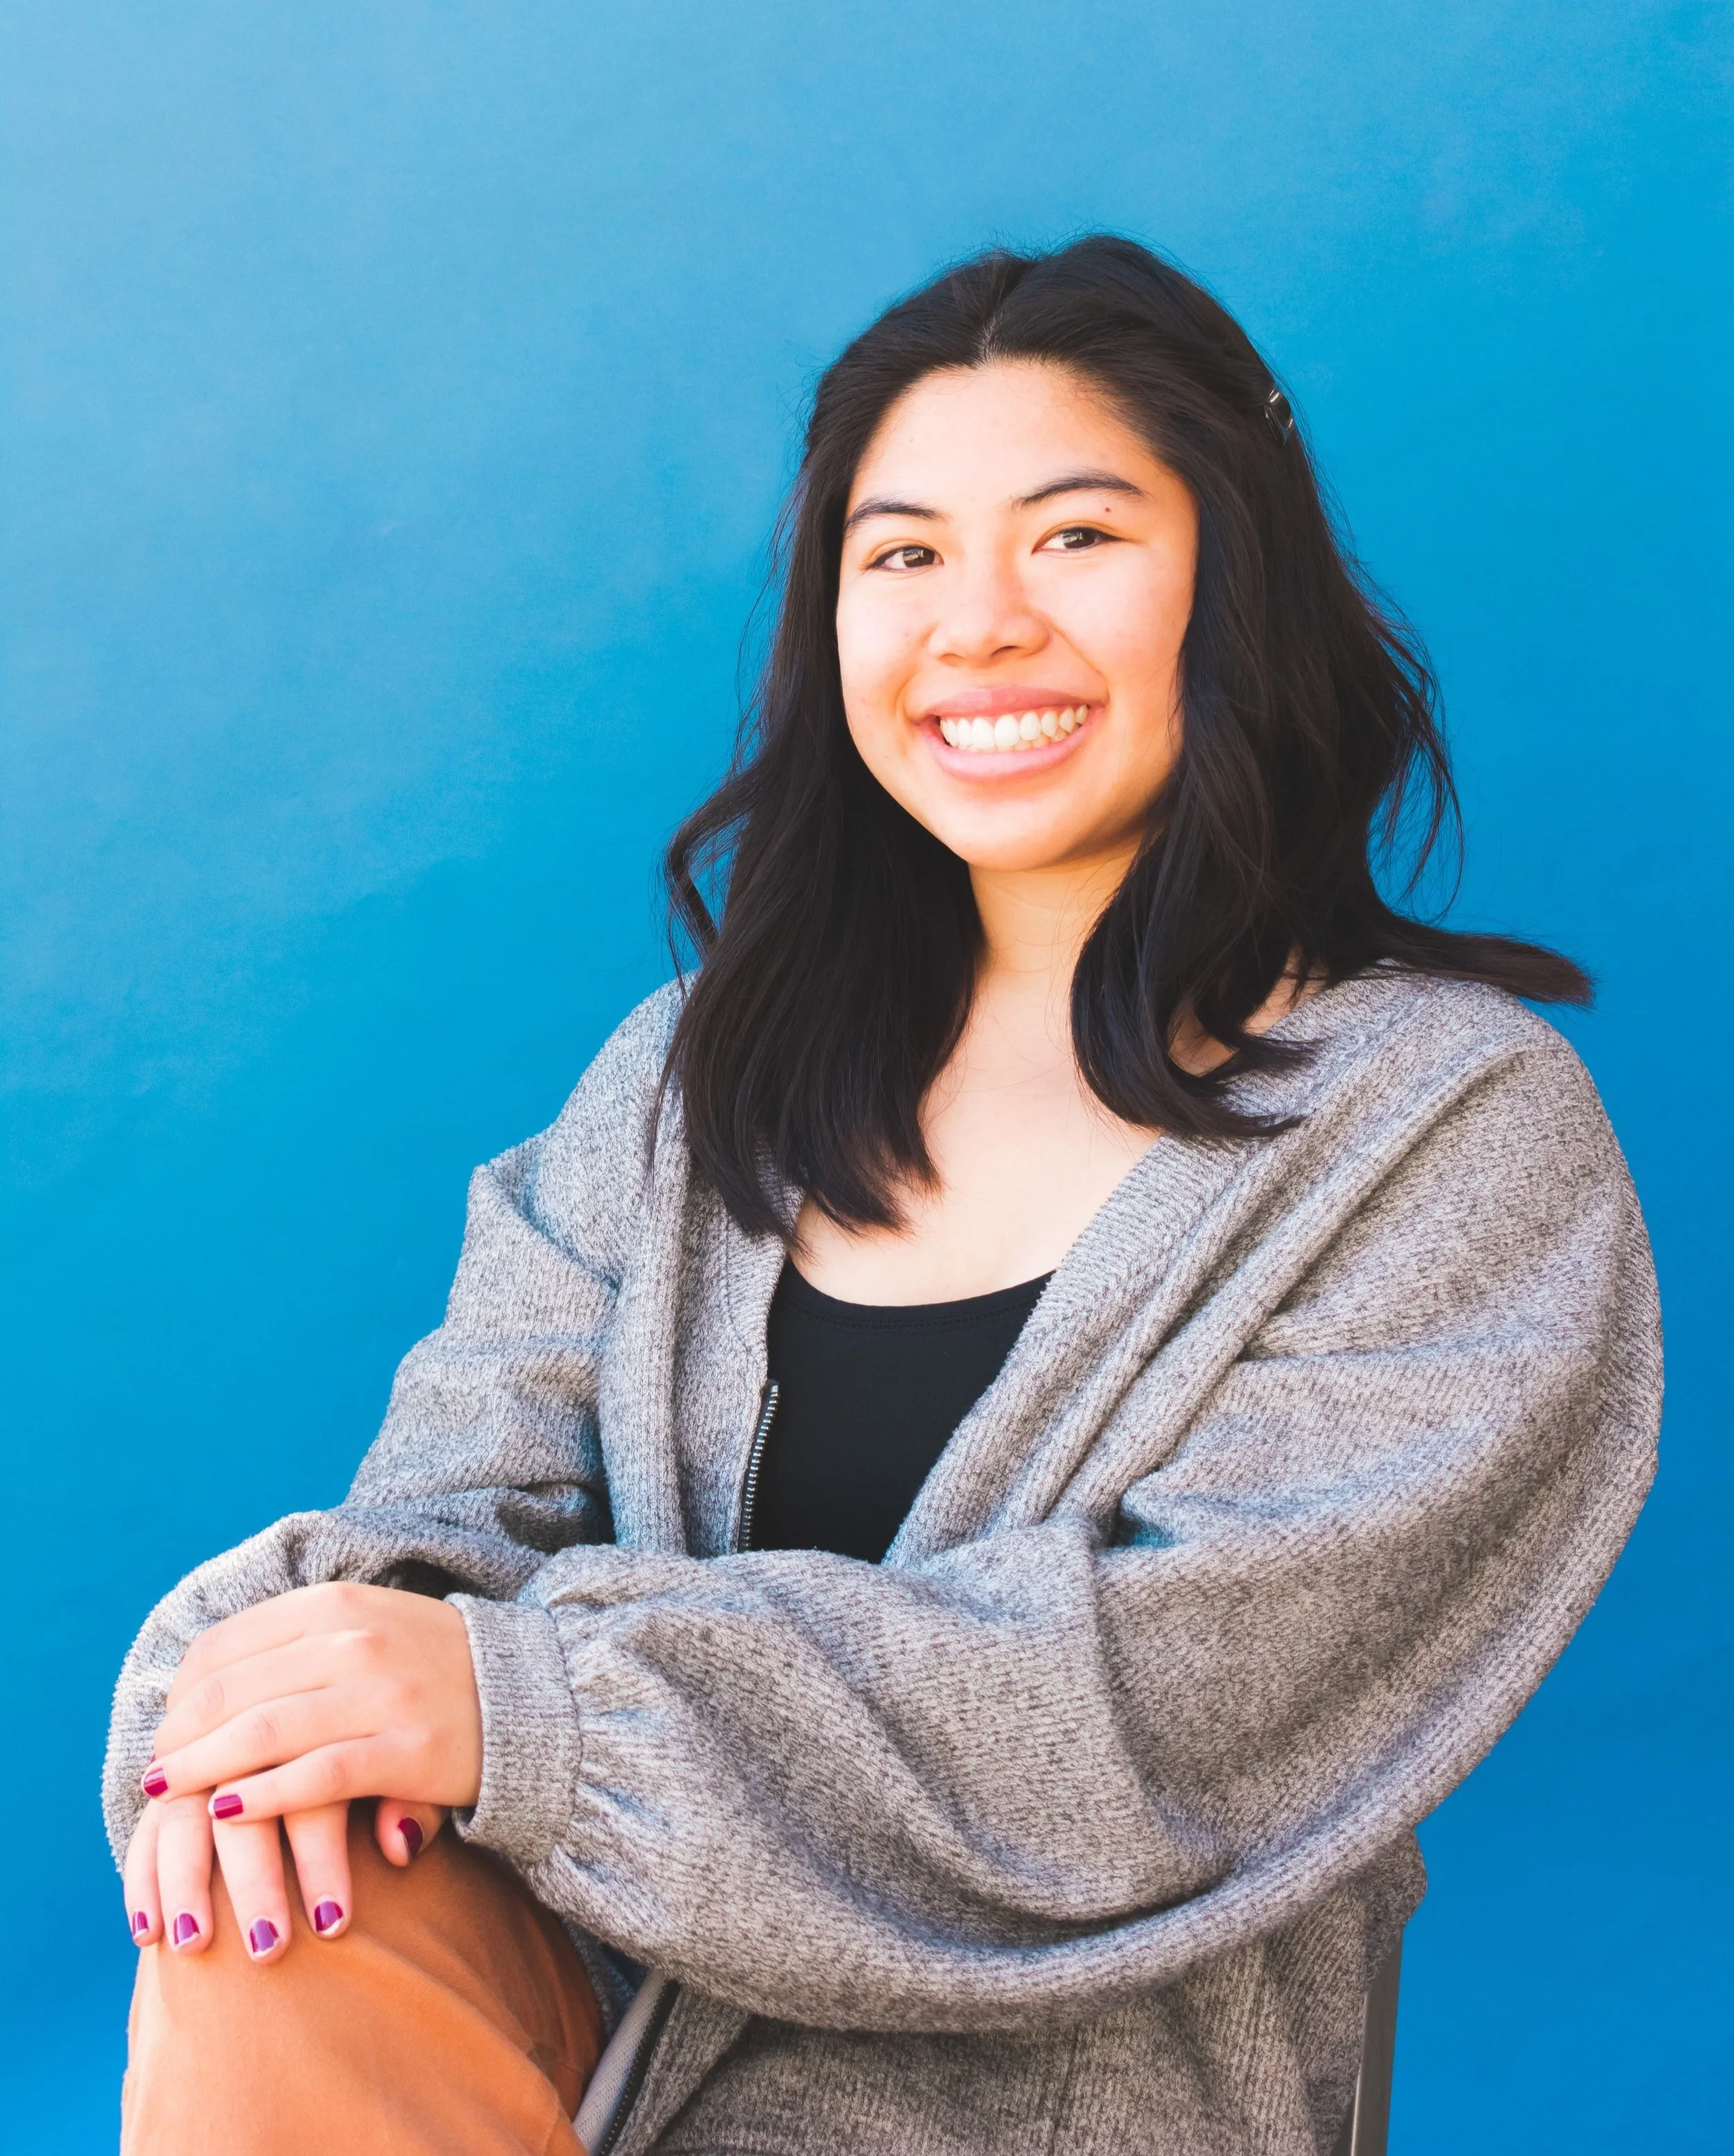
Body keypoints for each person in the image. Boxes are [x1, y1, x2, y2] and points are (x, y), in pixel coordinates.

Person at [105, 236, 1660, 2156]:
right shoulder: (695, 1082)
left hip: (1076, 2117)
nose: (979, 625)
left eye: (1075, 536)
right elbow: (439, 1519)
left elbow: (1155, 1718)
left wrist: (535, 1710)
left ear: (1231, 577)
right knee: (274, 1867)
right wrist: (283, 1714)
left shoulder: (1451, 1132)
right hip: (559, 2075)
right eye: (903, 554)